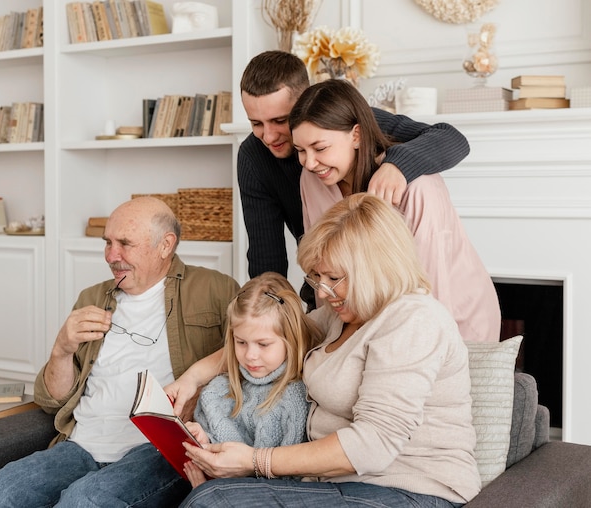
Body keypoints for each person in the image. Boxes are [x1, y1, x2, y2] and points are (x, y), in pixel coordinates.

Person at [178, 193, 482, 507]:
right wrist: (191, 379)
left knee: (213, 501)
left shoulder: (413, 320)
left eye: (334, 278)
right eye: (317, 276)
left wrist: (256, 461)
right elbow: (274, 336)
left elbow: (373, 445)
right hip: (339, 486)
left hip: (410, 489)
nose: (322, 291)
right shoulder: (340, 314)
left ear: (377, 268)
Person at [0, 196, 239, 508]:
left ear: (165, 245)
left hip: (155, 450)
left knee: (81, 503)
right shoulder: (92, 297)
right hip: (80, 445)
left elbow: (251, 355)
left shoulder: (214, 289)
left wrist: (196, 383)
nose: (111, 255)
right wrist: (62, 350)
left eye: (125, 243)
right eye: (107, 242)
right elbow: (51, 400)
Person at [290, 78, 501, 343]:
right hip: (368, 322)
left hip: (452, 319)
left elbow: (427, 292)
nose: (309, 162)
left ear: (356, 135)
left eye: (320, 148)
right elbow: (321, 271)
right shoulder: (312, 179)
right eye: (300, 150)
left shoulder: (417, 187)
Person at [238, 50, 471, 285]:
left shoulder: (346, 119)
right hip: (327, 279)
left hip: (385, 279)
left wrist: (397, 166)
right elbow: (265, 255)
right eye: (256, 123)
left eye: (280, 121)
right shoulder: (253, 156)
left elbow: (451, 138)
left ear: (305, 104)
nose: (268, 137)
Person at [183, 272, 322, 487]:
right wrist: (203, 439)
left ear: (291, 339)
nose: (250, 355)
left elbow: (286, 479)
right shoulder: (218, 389)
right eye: (241, 342)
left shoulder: (293, 399)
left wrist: (206, 490)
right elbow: (217, 438)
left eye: (263, 344)